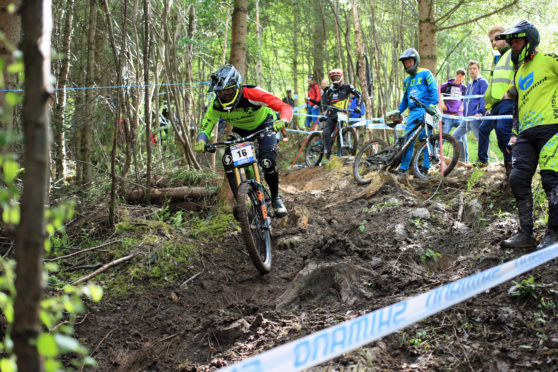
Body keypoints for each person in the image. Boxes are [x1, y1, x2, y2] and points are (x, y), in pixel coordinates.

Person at [194, 64, 294, 218]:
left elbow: (284, 106)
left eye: (228, 91)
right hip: (241, 130)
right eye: (221, 93)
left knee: (267, 161)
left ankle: (275, 198)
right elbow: (206, 125)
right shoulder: (215, 104)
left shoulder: (252, 93)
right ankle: (239, 203)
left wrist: (284, 119)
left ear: (236, 87)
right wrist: (201, 140)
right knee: (227, 159)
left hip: (264, 124)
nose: (225, 96)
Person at [498, 21, 558, 250]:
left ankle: (553, 232)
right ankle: (526, 233)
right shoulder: (519, 71)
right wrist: (514, 134)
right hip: (525, 133)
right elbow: (517, 106)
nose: (513, 46)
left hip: (552, 128)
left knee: (552, 180)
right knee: (517, 178)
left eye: (517, 41)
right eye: (511, 42)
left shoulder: (550, 60)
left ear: (529, 41)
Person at [388, 48, 438, 176]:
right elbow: (405, 99)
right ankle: (403, 168)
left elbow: (434, 90)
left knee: (425, 138)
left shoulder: (426, 73)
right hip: (412, 113)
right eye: (406, 63)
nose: (408, 64)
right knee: (407, 141)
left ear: (415, 61)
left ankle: (425, 167)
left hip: (426, 109)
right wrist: (398, 112)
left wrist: (432, 105)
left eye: (410, 61)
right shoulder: (406, 81)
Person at [475, 25, 514, 172]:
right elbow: (493, 85)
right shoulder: (497, 58)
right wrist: (488, 106)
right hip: (496, 104)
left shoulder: (513, 53)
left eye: (497, 39)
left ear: (506, 37)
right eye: (491, 41)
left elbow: (520, 73)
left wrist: (511, 92)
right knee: (493, 133)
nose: (494, 43)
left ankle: (513, 168)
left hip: (508, 102)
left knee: (504, 133)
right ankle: (506, 169)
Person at [451, 61, 489, 162]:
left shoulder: (482, 82)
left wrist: (480, 112)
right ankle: (462, 160)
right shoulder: (470, 85)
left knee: (481, 138)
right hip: (466, 118)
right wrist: (463, 108)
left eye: (474, 68)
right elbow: (467, 100)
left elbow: (484, 98)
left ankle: (483, 161)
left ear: (478, 70)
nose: (472, 70)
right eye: (470, 69)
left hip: (476, 117)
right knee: (455, 135)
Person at [320, 68, 361, 162]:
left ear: (341, 76)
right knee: (326, 132)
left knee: (341, 134)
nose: (335, 79)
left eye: (337, 77)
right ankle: (327, 154)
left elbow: (359, 95)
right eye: (333, 77)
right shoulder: (329, 90)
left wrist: (358, 106)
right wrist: (325, 113)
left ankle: (341, 154)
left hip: (342, 115)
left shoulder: (347, 87)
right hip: (331, 115)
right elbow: (324, 102)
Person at [440, 68, 467, 156]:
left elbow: (468, 99)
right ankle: (435, 157)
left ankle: (464, 159)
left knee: (462, 138)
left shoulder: (464, 88)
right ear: (456, 75)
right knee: (442, 137)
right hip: (447, 116)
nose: (460, 78)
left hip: (459, 116)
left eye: (462, 77)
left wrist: (464, 106)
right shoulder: (447, 85)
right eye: (458, 76)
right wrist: (441, 104)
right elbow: (436, 92)